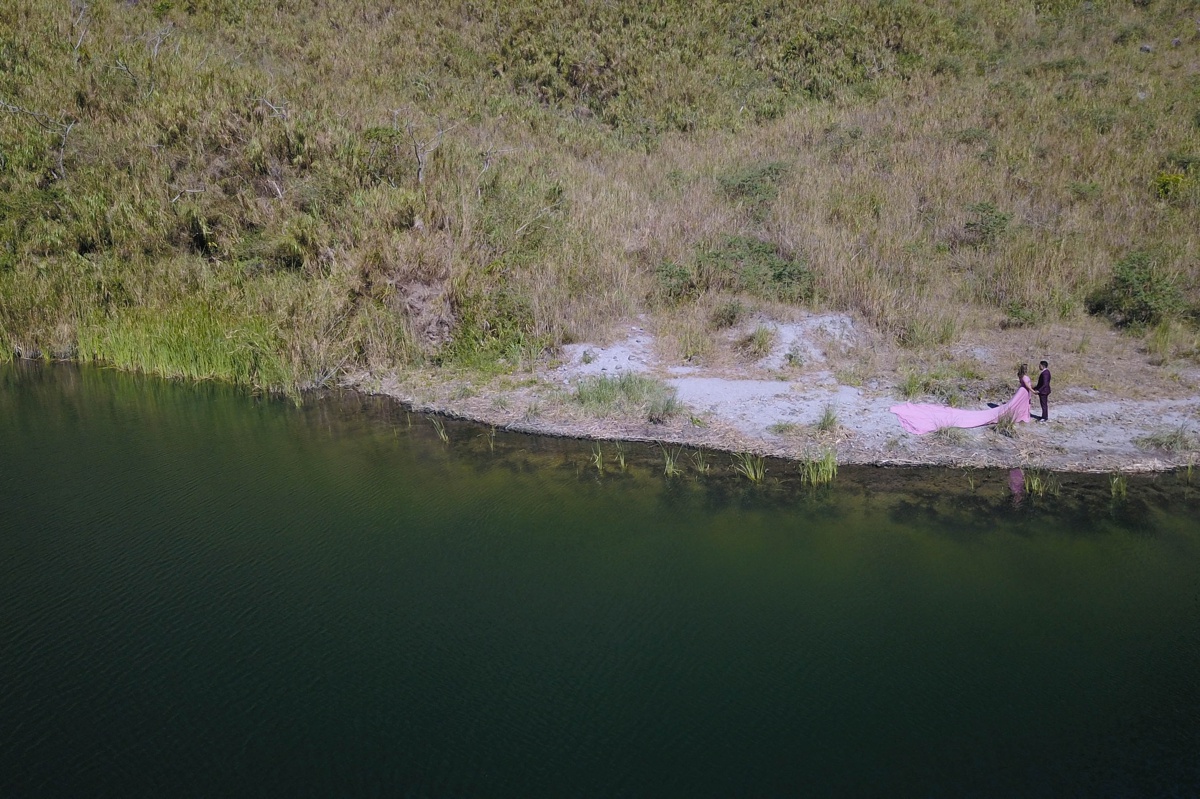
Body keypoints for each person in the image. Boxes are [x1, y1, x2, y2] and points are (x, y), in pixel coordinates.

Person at [889, 363, 1032, 434]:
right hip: (1024, 393)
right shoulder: (1025, 378)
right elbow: (1027, 386)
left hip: (1023, 393)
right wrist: (1034, 391)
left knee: (1015, 406)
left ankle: (1022, 415)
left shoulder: (1023, 377)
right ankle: (1022, 416)